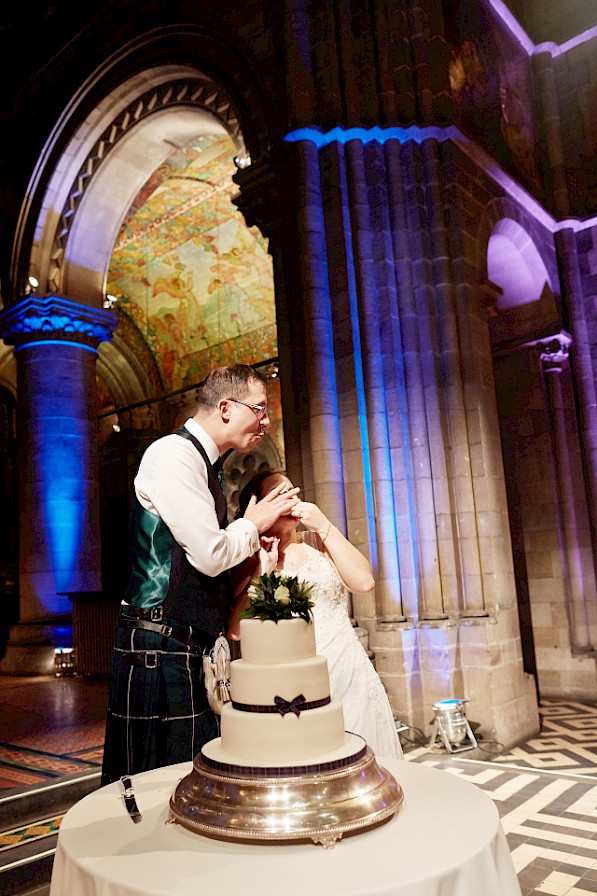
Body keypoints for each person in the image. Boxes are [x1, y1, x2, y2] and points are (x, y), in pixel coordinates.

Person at [101, 366, 300, 785]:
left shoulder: (204, 463)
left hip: (181, 642)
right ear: (225, 408)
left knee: (190, 784)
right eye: (259, 409)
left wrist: (248, 541)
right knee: (154, 787)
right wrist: (254, 524)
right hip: (159, 644)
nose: (266, 420)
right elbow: (210, 556)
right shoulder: (173, 454)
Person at [230, 470, 404, 759]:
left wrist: (324, 526)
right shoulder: (250, 559)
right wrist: (263, 573)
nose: (291, 499)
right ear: (259, 504)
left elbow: (364, 583)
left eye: (293, 493)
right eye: (279, 493)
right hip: (295, 682)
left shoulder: (318, 547)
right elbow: (235, 630)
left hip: (348, 671)